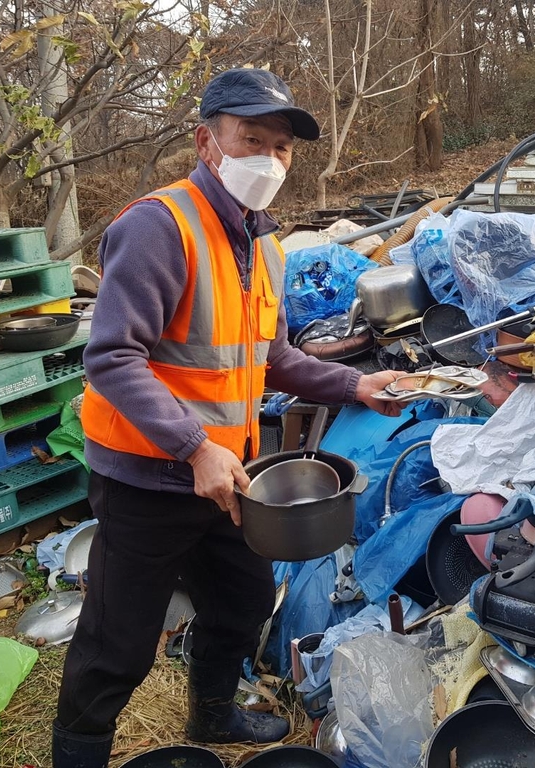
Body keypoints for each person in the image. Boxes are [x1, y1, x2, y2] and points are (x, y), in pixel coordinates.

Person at [53, 68, 404, 768]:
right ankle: (80, 753)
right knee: (118, 641)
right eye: (252, 139)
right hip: (149, 478)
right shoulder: (160, 226)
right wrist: (190, 446)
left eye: (282, 147)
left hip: (229, 474)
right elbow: (113, 357)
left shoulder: (265, 244)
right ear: (207, 142)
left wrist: (355, 385)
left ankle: (213, 714)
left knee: (243, 603)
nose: (269, 159)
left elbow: (269, 359)